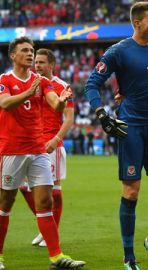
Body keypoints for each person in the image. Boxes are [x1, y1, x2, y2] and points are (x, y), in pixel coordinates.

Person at [84, 2, 148, 269]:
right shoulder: (118, 51)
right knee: (131, 192)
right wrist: (101, 113)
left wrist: (130, 91)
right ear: (137, 23)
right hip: (131, 126)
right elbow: (92, 83)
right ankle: (129, 257)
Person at [0, 37, 85, 269]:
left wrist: (62, 101)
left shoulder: (41, 81)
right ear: (13, 56)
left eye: (32, 51)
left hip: (38, 149)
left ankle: (56, 257)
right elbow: (5, 104)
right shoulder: (4, 80)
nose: (30, 55)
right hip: (12, 150)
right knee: (5, 203)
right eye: (25, 51)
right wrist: (29, 92)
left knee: (46, 201)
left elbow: (54, 103)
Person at [18, 48, 75, 248]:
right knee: (22, 186)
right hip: (30, 143)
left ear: (51, 65)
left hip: (52, 144)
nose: (38, 66)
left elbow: (69, 118)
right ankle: (46, 226)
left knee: (54, 191)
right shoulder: (30, 84)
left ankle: (51, 232)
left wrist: (57, 138)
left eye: (41, 62)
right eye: (36, 62)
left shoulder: (62, 86)